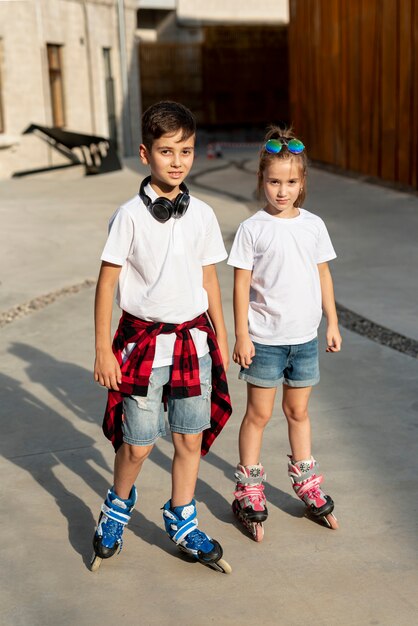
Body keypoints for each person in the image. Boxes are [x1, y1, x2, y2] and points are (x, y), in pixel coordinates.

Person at [90, 101, 232, 572]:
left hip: (194, 342)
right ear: (145, 153)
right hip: (144, 345)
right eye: (167, 151)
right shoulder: (128, 215)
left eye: (186, 151)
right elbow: (107, 281)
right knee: (139, 443)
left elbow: (209, 278)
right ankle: (116, 508)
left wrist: (222, 334)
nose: (177, 161)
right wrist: (103, 350)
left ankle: (183, 519)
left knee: (190, 438)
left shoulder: (203, 214)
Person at [228, 126, 342, 541]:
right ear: (262, 180)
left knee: (298, 413)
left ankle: (306, 481)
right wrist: (241, 334)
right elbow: (241, 285)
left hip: (305, 339)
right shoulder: (252, 229)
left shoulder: (313, 225)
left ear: (302, 182)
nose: (282, 190)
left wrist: (332, 320)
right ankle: (249, 488)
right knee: (258, 415)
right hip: (265, 340)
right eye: (274, 181)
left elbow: (323, 273)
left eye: (291, 182)